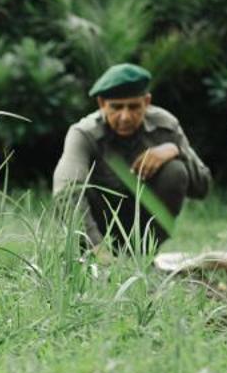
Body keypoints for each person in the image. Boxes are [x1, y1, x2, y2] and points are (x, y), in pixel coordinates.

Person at [51, 63, 212, 252]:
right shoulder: (84, 134)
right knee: (74, 191)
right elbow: (66, 193)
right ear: (102, 103)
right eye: (116, 107)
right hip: (97, 226)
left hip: (142, 224)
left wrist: (176, 150)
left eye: (134, 106)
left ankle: (145, 255)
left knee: (175, 171)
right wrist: (97, 249)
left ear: (147, 101)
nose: (125, 117)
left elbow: (202, 187)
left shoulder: (165, 126)